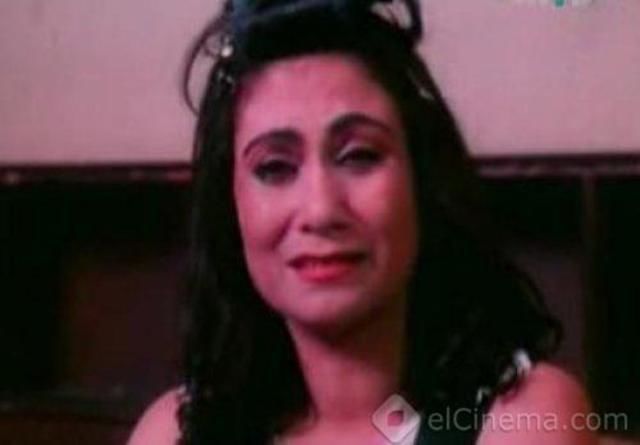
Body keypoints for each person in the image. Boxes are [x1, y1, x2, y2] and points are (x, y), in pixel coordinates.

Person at [129, 0, 597, 443]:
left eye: (360, 156)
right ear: (230, 205)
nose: (321, 210)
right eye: (274, 167)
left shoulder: (523, 413)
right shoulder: (176, 429)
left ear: (423, 181)